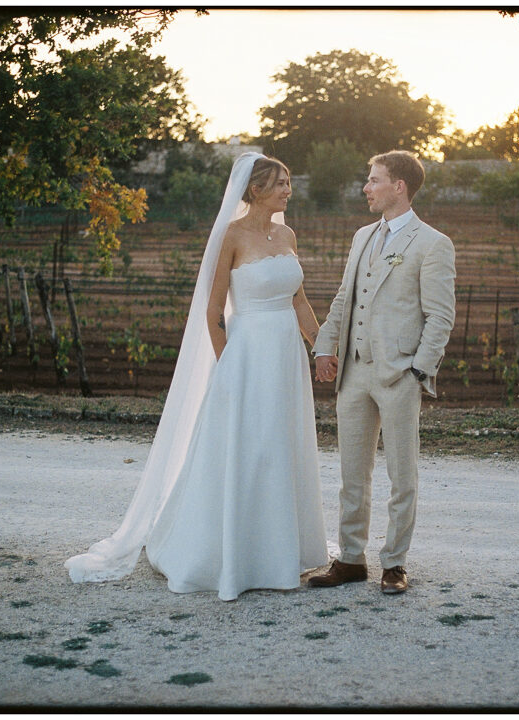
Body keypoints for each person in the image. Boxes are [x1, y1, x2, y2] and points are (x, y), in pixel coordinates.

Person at [65, 153, 329, 601]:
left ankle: (279, 551)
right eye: (280, 182)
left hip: (285, 358)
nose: (289, 189)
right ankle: (228, 555)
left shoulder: (287, 235)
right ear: (255, 190)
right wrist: (226, 364)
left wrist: (320, 347)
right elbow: (213, 312)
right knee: (247, 449)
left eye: (289, 181)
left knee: (281, 446)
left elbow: (299, 300)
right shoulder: (232, 235)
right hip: (246, 360)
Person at [309, 150, 456, 595]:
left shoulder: (433, 243)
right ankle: (351, 559)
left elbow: (441, 317)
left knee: (401, 475)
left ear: (400, 187)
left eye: (374, 180)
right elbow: (343, 296)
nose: (366, 188)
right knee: (352, 474)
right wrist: (323, 347)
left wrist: (417, 371)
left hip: (398, 376)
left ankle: (394, 563)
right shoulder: (360, 237)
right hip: (354, 374)